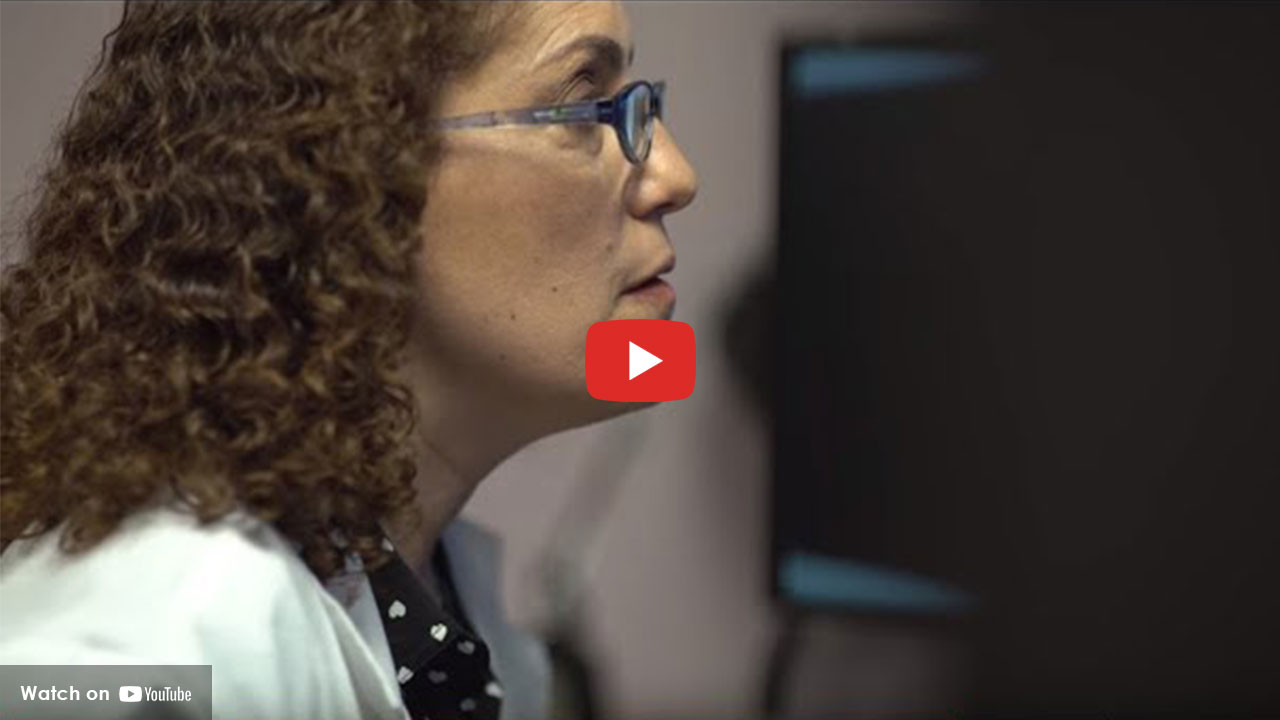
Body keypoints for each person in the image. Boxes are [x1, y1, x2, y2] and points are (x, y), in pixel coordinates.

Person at [0, 1, 698, 718]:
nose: (675, 175)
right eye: (587, 108)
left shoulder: (437, 596)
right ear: (348, 166)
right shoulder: (151, 644)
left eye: (639, 107)